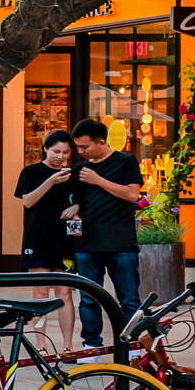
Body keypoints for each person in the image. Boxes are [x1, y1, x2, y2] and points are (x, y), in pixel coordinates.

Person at [65, 118, 145, 347]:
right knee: (88, 299)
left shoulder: (125, 161)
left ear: (101, 142)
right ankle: (92, 345)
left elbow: (132, 194)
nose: (80, 152)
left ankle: (133, 346)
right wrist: (75, 211)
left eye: (84, 147)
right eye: (77, 147)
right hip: (87, 244)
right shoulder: (80, 170)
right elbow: (76, 200)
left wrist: (98, 180)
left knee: (128, 298)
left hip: (120, 242)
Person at [13, 130, 82, 346]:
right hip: (37, 238)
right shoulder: (31, 172)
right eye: (56, 151)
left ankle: (68, 345)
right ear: (45, 149)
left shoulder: (73, 176)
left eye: (65, 152)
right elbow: (28, 201)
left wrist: (77, 207)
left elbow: (82, 201)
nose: (60, 156)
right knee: (41, 291)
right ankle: (41, 346)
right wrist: (51, 180)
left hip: (64, 240)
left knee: (65, 292)